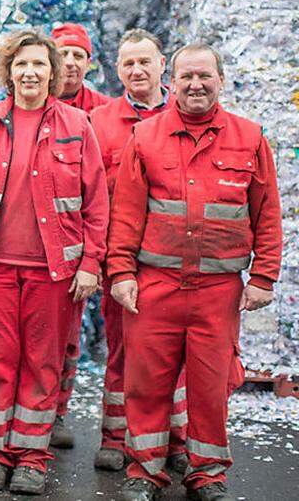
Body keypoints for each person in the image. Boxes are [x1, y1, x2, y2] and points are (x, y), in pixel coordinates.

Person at [109, 43, 281, 501]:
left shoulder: (249, 137)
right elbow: (126, 213)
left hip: (216, 291)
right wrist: (121, 272)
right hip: (155, 287)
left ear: (221, 80)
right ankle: (144, 471)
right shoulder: (145, 137)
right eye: (186, 77)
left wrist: (263, 276)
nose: (195, 85)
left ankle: (207, 474)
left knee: (210, 388)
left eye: (204, 76)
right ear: (173, 82)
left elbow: (267, 213)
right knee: (145, 383)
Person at [0, 29, 108, 496]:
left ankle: (30, 457)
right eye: (21, 64)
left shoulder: (76, 125)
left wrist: (91, 262)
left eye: (39, 65)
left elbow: (97, 202)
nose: (30, 72)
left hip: (52, 269)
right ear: (8, 72)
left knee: (43, 362)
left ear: (53, 73)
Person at [87, 29, 186, 473]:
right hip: (122, 258)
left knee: (175, 355)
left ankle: (178, 440)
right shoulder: (102, 121)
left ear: (162, 64)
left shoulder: (187, 114)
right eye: (128, 63)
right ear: (117, 69)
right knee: (123, 350)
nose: (137, 70)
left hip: (174, 259)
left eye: (145, 61)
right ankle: (116, 436)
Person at [47, 22, 111, 447]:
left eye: (79, 56)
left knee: (68, 339)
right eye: (64, 54)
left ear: (90, 63)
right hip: (34, 244)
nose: (71, 63)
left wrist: (95, 255)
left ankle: (56, 413)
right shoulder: (26, 99)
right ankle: (4, 413)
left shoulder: (104, 114)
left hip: (79, 244)